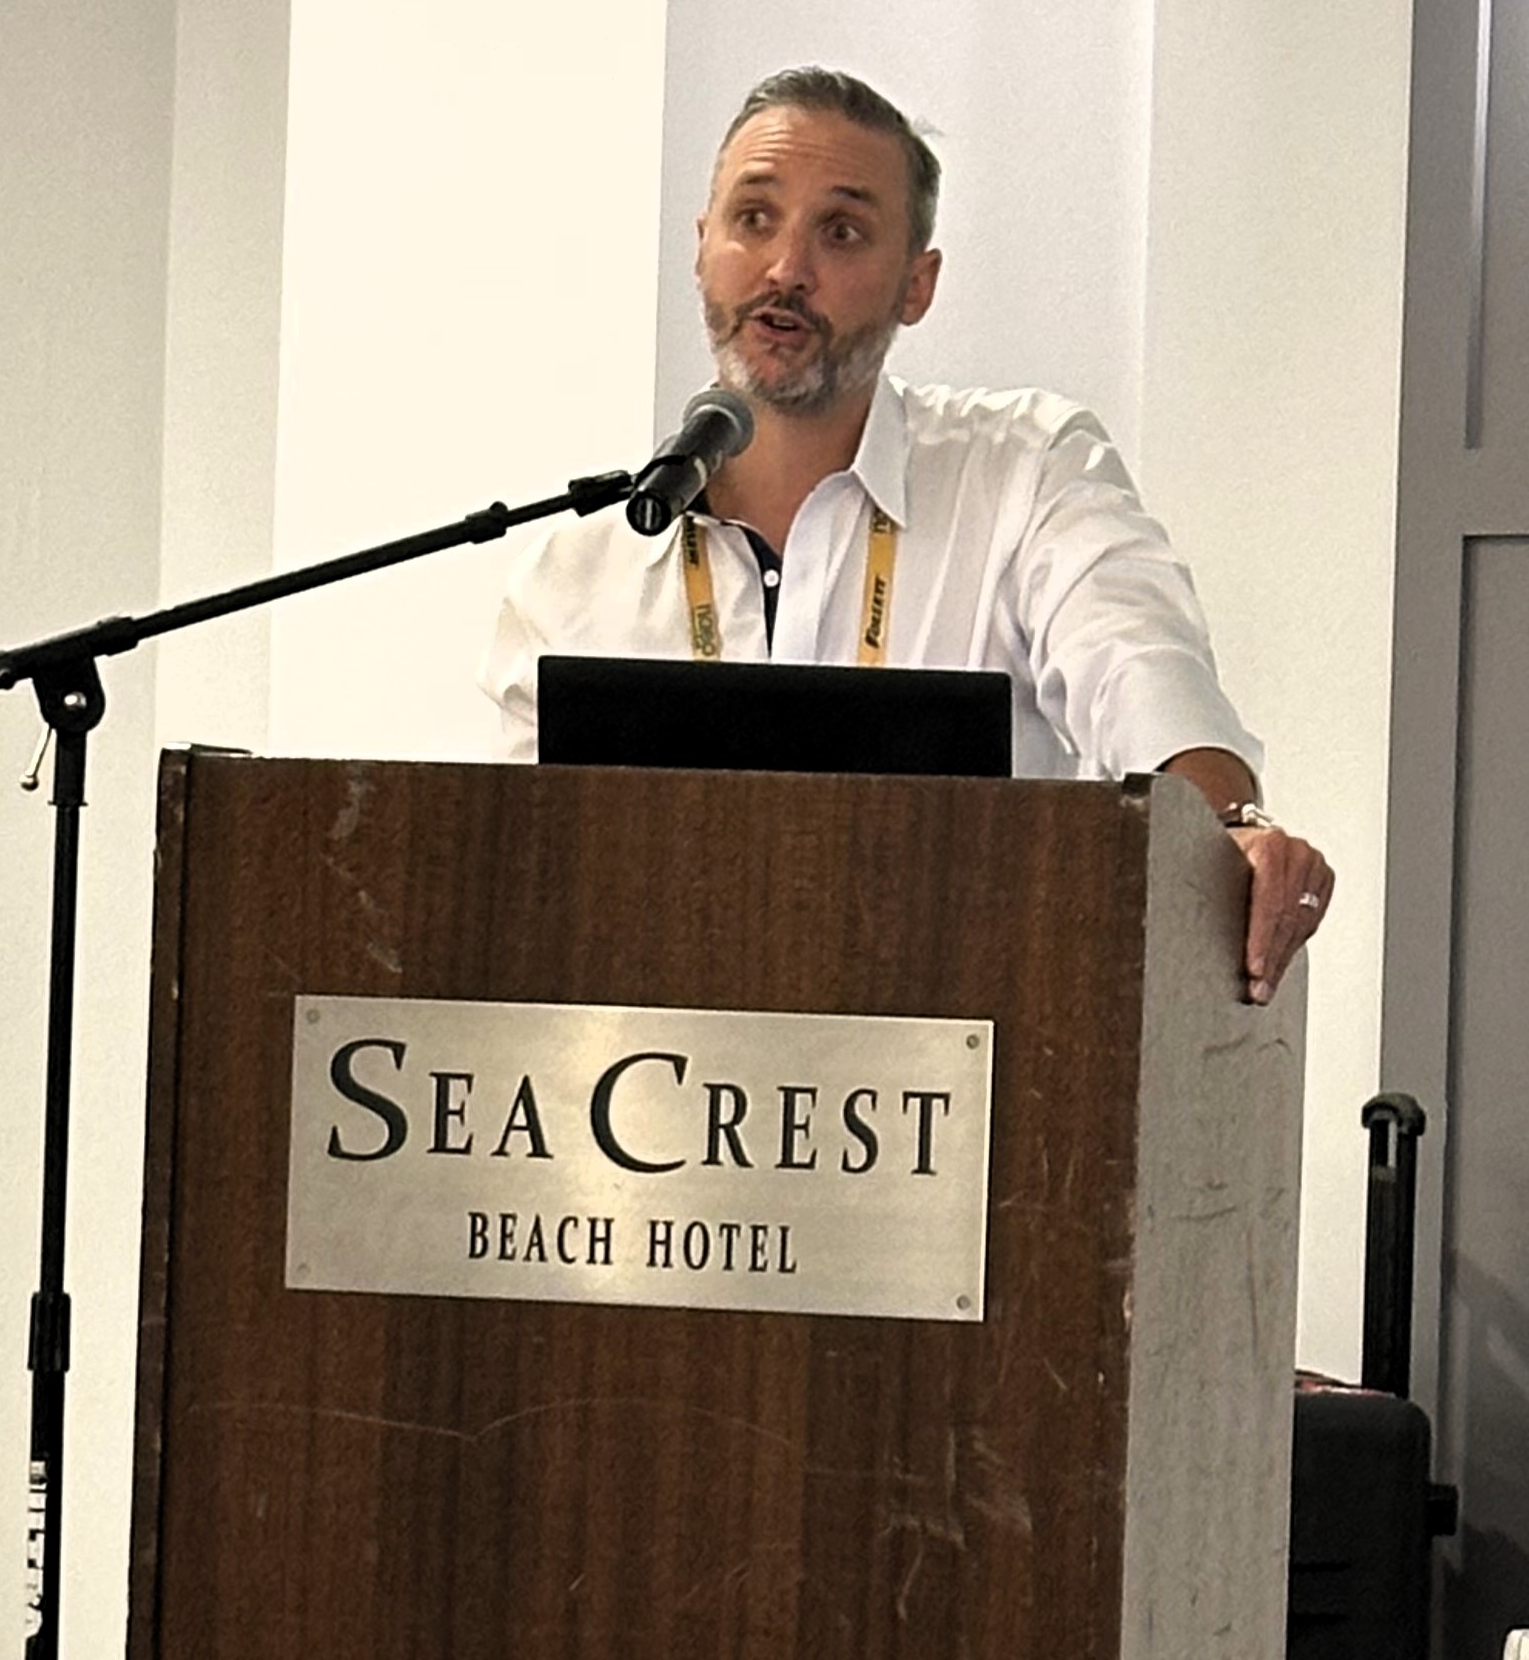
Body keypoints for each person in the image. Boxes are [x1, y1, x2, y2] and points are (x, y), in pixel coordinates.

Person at [480, 67, 1335, 1003]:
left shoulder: (1023, 472)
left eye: (840, 232)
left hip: (963, 1057)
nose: (786, 270)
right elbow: (521, 878)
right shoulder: (578, 564)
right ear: (700, 248)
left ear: (915, 284)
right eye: (754, 219)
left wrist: (1225, 823)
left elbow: (1136, 662)